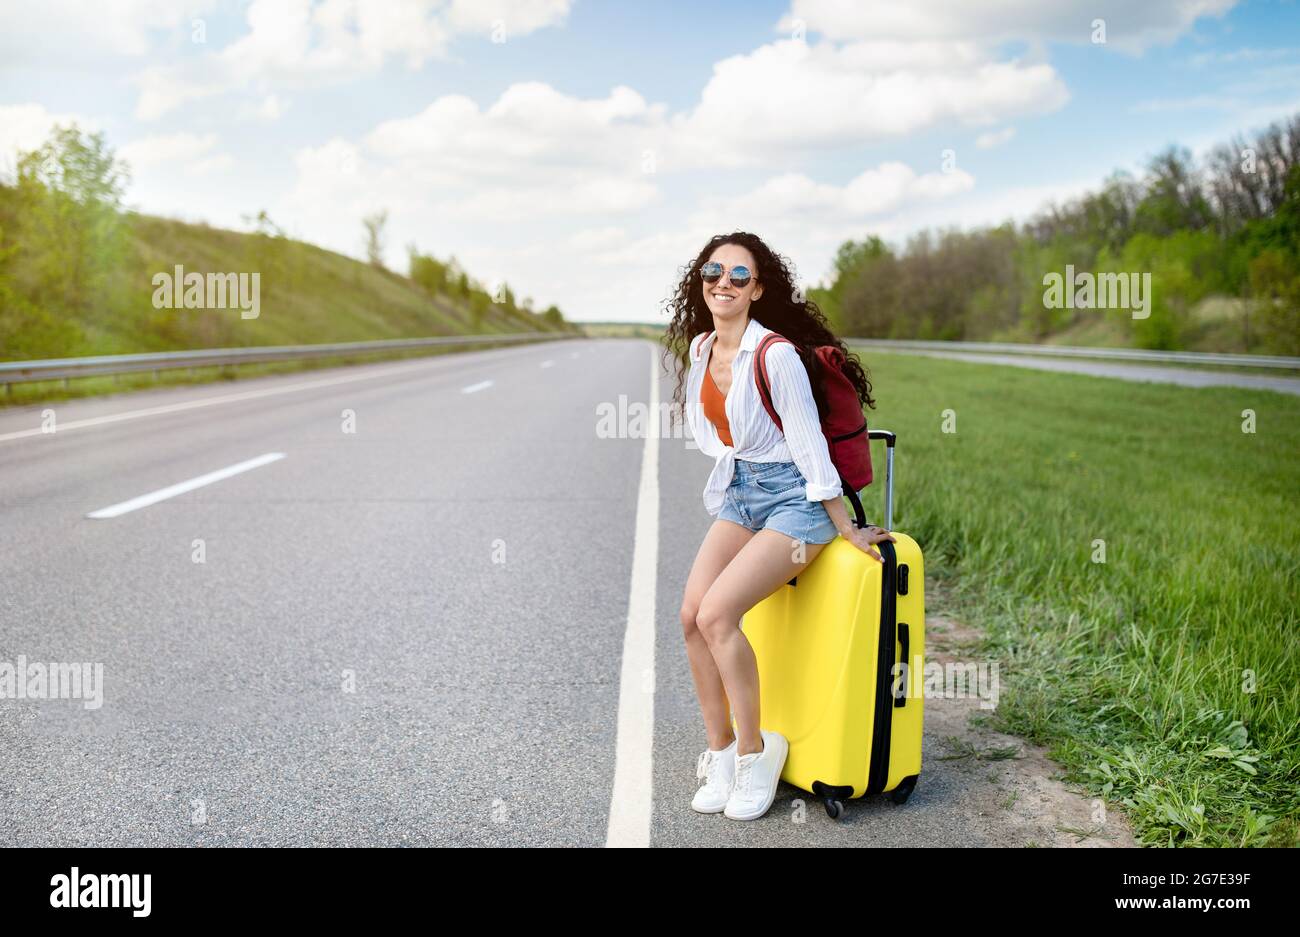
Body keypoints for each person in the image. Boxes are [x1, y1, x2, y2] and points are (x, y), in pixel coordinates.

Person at [662, 231, 895, 821]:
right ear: (701, 281)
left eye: (739, 275)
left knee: (718, 616)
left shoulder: (776, 355)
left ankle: (755, 753)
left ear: (757, 288)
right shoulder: (701, 349)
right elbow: (723, 437)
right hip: (743, 492)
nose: (724, 282)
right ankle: (718, 752)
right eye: (714, 271)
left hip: (797, 500)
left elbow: (810, 447)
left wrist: (843, 526)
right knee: (690, 616)